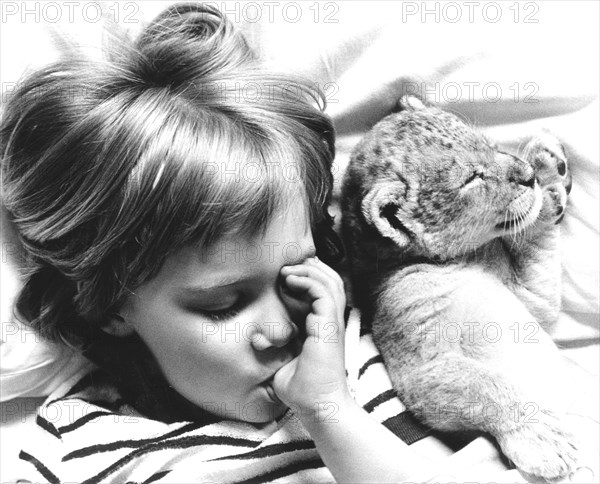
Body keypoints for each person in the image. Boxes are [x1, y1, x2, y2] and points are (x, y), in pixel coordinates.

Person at [0, 3, 590, 484]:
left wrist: (331, 412)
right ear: (110, 306)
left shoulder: (367, 348)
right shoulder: (83, 448)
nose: (282, 329)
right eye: (223, 304)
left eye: (297, 275)